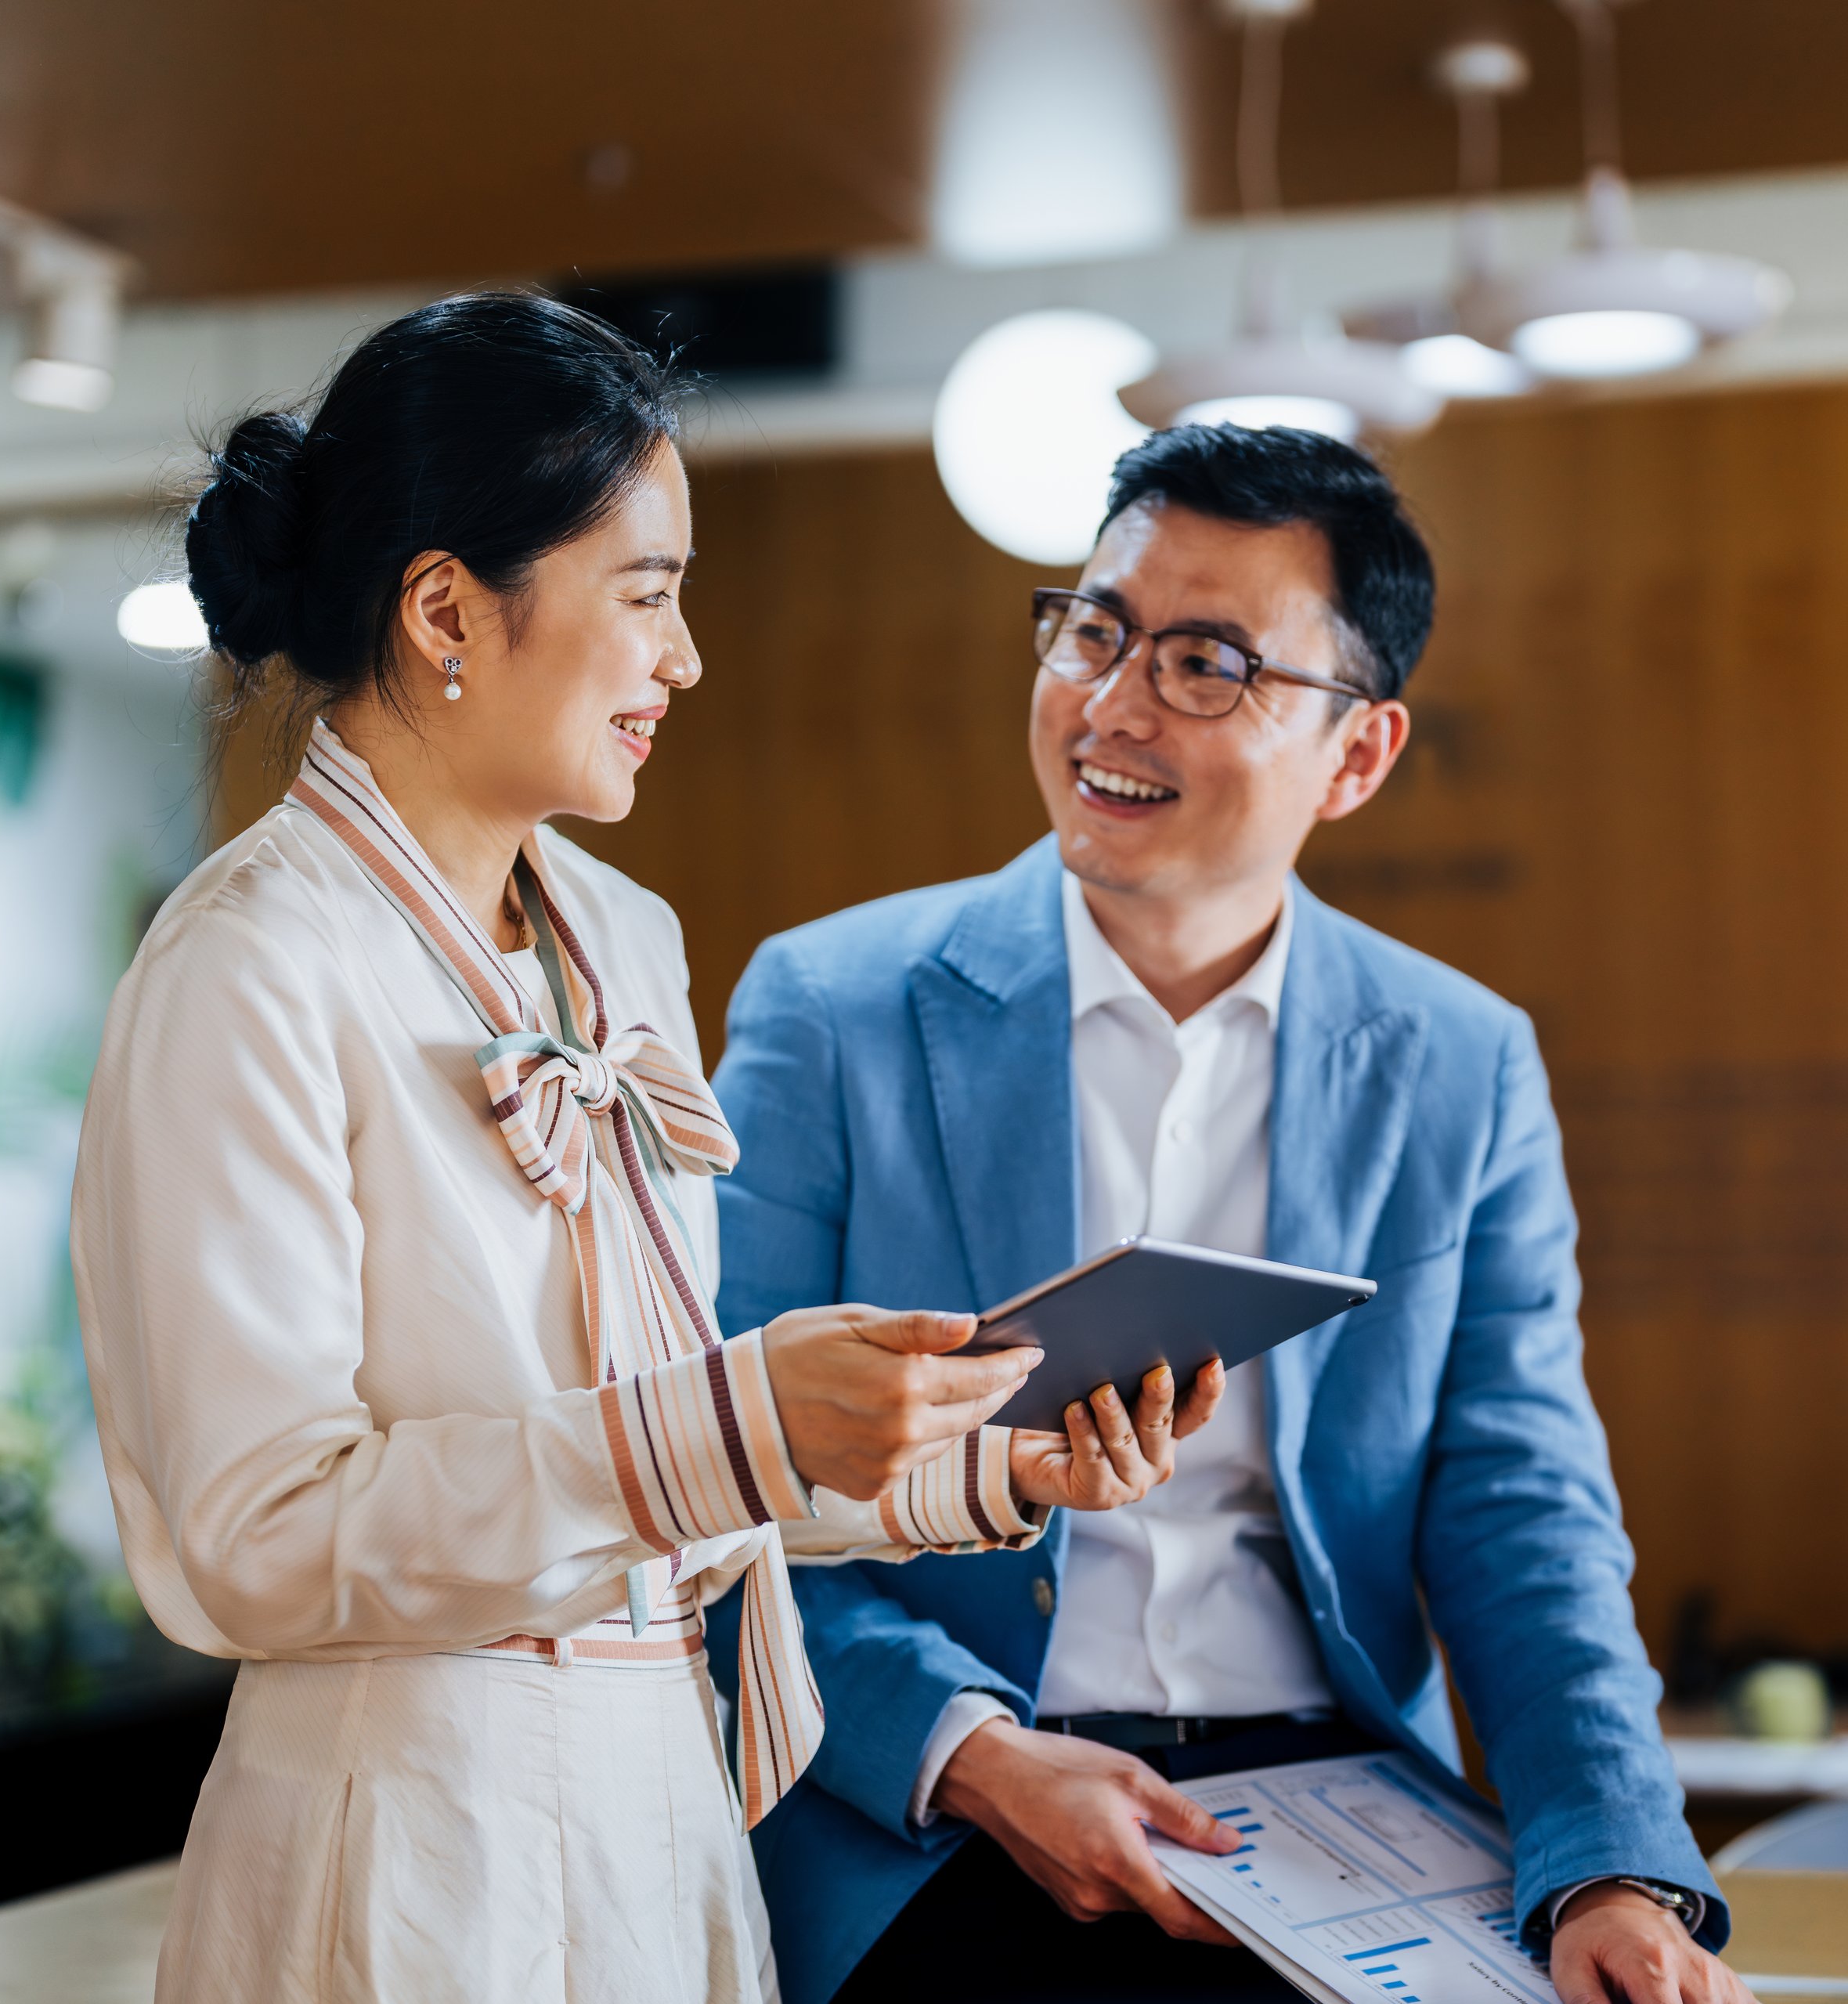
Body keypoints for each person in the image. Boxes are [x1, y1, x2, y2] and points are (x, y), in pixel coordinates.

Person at [69, 293, 1214, 2004]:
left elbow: (681, 1474)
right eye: (649, 594)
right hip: (409, 1846)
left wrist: (987, 1463)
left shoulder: (617, 934)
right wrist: (728, 1419)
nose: (685, 659)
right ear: (449, 606)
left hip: (661, 1818)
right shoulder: (249, 960)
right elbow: (256, 1534)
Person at [713, 425, 1750, 2004]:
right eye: (1096, 629)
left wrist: (1607, 1861)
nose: (1114, 703)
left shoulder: (1459, 1059)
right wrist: (977, 1751)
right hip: (945, 1809)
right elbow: (720, 1484)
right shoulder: (834, 1007)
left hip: (1335, 1810)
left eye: (1208, 662)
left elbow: (1520, 1501)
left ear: (1357, 754)